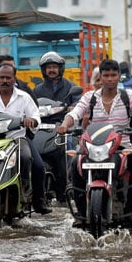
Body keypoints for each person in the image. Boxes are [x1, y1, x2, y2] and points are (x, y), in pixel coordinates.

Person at [57, 59, 132, 228]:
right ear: (100, 76)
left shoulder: (128, 96)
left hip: (122, 149)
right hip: (93, 148)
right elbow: (75, 114)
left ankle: (131, 212)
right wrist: (65, 125)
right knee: (74, 165)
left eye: (113, 75)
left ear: (119, 77)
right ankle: (80, 213)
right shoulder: (89, 97)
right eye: (106, 75)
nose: (109, 79)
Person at [0, 64, 51, 214]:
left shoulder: (24, 97)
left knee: (31, 160)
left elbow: (36, 115)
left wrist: (32, 120)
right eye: (2, 77)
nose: (5, 80)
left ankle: (30, 194)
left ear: (14, 79)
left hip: (16, 140)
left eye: (8, 77)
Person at [32, 51, 80, 202]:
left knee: (69, 149)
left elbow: (79, 103)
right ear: (43, 70)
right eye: (48, 67)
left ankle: (68, 184)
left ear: (60, 68)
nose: (51, 70)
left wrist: (73, 108)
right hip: (41, 128)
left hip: (63, 128)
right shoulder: (37, 89)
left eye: (54, 67)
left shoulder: (70, 87)